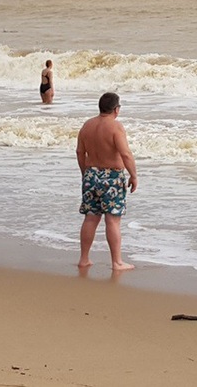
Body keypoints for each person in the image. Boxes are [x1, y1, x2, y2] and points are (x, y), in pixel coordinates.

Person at [76, 92, 138, 271]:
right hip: (111, 177)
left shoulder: (87, 125)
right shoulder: (115, 126)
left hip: (91, 175)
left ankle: (84, 259)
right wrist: (133, 175)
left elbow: (80, 152)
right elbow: (125, 153)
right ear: (116, 109)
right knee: (112, 220)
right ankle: (117, 262)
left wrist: (85, 173)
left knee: (90, 218)